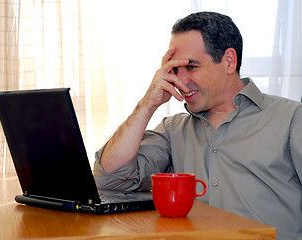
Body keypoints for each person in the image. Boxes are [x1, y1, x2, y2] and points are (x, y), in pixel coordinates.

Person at [93, 12, 302, 240]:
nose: (180, 81)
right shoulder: (173, 130)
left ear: (228, 61)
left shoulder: (291, 118)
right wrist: (147, 104)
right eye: (174, 70)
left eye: (191, 67)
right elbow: (109, 179)